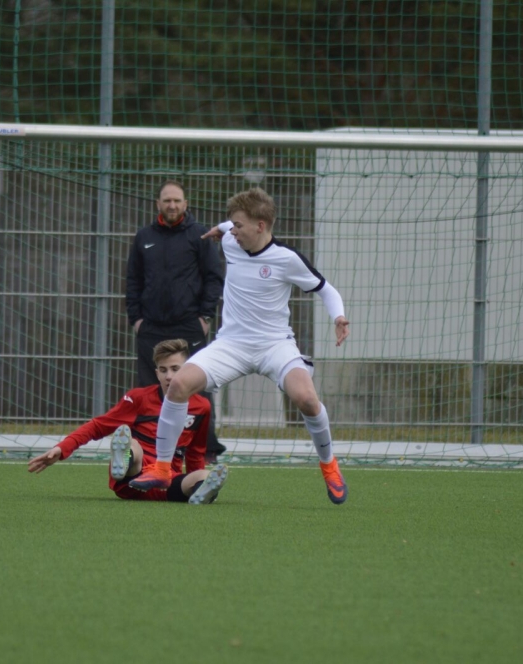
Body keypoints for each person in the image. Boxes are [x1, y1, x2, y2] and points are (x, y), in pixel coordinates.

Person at [130, 188, 351, 504]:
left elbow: (326, 290)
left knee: (307, 400)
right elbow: (225, 227)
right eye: (231, 225)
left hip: (275, 345)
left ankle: (329, 466)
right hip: (231, 344)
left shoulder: (287, 258)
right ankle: (163, 468)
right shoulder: (232, 241)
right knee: (178, 385)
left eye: (238, 225)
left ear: (260, 226)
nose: (232, 231)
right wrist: (218, 228)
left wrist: (339, 317)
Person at [27, 338, 228, 505]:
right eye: (163, 370)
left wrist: (194, 478)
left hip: (166, 481)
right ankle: (123, 462)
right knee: (132, 444)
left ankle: (200, 491)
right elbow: (98, 426)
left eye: (176, 369)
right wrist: (62, 448)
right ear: (156, 373)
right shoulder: (139, 398)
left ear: (188, 370)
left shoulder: (201, 407)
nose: (169, 376)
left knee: (203, 475)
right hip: (132, 479)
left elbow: (195, 451)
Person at [125, 180, 226, 461]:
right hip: (151, 327)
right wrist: (136, 319)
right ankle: (148, 450)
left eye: (177, 201)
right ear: (158, 204)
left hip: (188, 326)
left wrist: (204, 316)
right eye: (167, 200)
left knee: (196, 387)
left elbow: (214, 278)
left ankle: (205, 451)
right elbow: (133, 280)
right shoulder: (144, 236)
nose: (172, 205)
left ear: (185, 204)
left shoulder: (199, 236)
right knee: (149, 390)